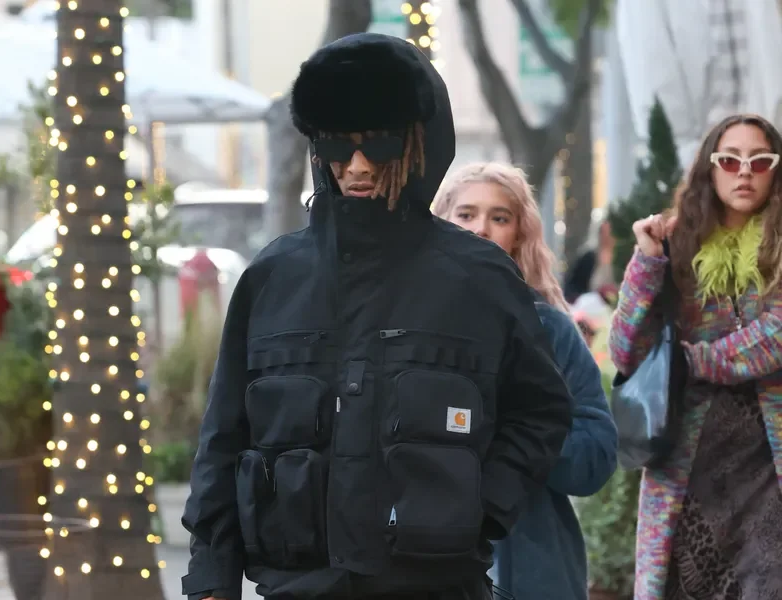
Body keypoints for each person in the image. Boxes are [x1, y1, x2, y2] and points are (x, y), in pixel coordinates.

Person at [181, 33, 573, 600]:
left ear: (418, 144)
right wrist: (212, 577)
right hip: (298, 587)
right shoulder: (272, 277)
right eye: (340, 146)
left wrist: (475, 510)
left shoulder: (479, 279)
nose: (358, 166)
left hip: (437, 585)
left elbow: (541, 412)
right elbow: (223, 437)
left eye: (380, 144)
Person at [609, 113, 782, 600]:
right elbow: (626, 352)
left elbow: (773, 338)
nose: (744, 170)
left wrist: (688, 362)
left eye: (759, 160)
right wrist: (647, 262)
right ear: (710, 169)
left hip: (768, 466)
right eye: (730, 159)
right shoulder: (674, 246)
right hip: (688, 464)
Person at [432, 162, 618, 600]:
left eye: (500, 217)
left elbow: (595, 457)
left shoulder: (551, 331)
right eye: (466, 214)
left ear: (519, 234)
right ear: (439, 225)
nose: (481, 229)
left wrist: (519, 429)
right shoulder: (402, 326)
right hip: (427, 568)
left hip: (537, 571)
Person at [563, 220, 616, 304]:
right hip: (587, 304)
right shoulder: (589, 256)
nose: (607, 236)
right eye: (604, 232)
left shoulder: (619, 258)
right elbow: (572, 285)